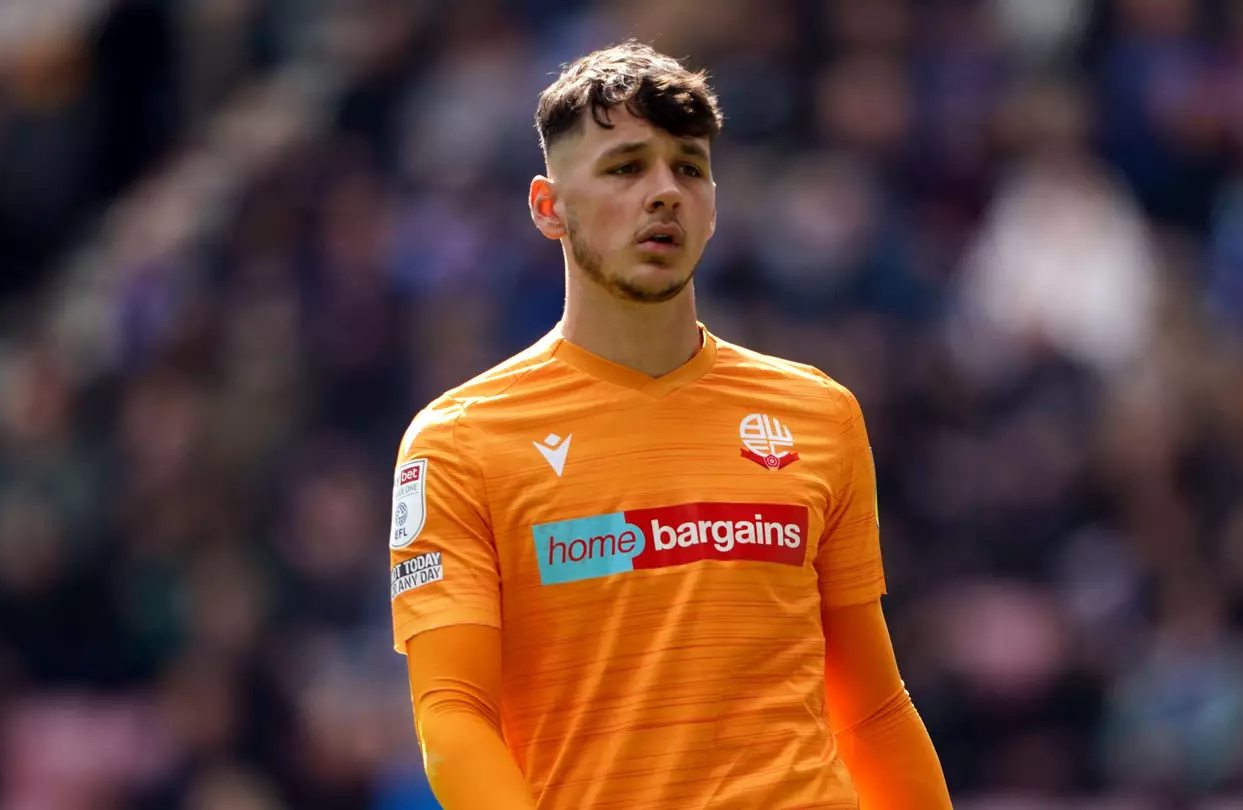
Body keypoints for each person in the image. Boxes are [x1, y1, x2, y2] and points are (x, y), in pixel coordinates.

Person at [389, 41, 952, 809]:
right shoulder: (457, 442)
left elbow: (874, 707)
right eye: (625, 168)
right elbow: (452, 719)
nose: (664, 193)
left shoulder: (818, 414)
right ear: (549, 208)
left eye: (688, 168)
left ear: (714, 205)